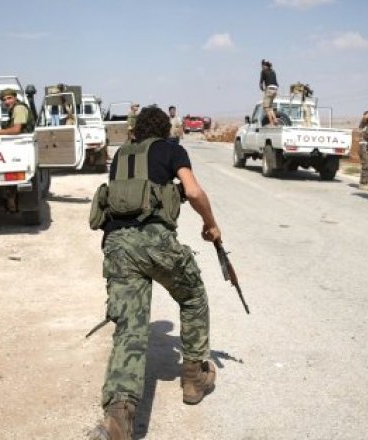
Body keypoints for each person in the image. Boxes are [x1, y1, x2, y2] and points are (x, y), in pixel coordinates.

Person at [87, 107, 220, 440]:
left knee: (130, 327)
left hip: (118, 245)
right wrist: (211, 224)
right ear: (164, 130)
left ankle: (119, 417)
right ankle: (193, 378)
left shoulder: (121, 156)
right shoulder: (171, 149)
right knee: (192, 295)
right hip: (156, 242)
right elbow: (193, 191)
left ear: (135, 131)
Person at [357, 110, 368, 190]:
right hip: (364, 145)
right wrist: (367, 115)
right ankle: (363, 183)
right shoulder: (363, 124)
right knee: (366, 164)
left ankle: (367, 182)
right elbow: (364, 119)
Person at [259, 59, 279, 126]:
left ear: (265, 66)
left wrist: (262, 88)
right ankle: (275, 119)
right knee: (270, 107)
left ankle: (271, 123)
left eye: (262, 65)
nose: (262, 67)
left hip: (269, 89)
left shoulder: (263, 71)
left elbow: (261, 82)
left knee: (266, 108)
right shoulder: (273, 71)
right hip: (275, 90)